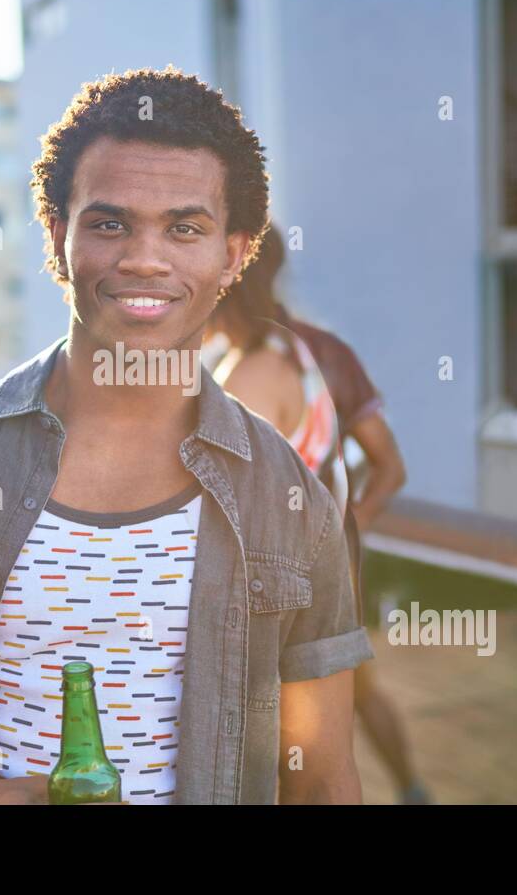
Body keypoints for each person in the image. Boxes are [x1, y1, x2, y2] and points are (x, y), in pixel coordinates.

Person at [0, 67, 373, 804]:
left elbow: (322, 778)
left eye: (184, 227)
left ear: (235, 254)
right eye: (110, 223)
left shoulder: (291, 498)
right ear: (56, 232)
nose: (144, 258)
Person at [205, 224, 432, 804]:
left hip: (281, 582)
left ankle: (410, 789)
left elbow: (224, 501)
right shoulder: (312, 352)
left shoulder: (253, 372)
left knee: (296, 726)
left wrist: (333, 542)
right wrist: (344, 543)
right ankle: (412, 789)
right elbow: (390, 470)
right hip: (325, 575)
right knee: (346, 696)